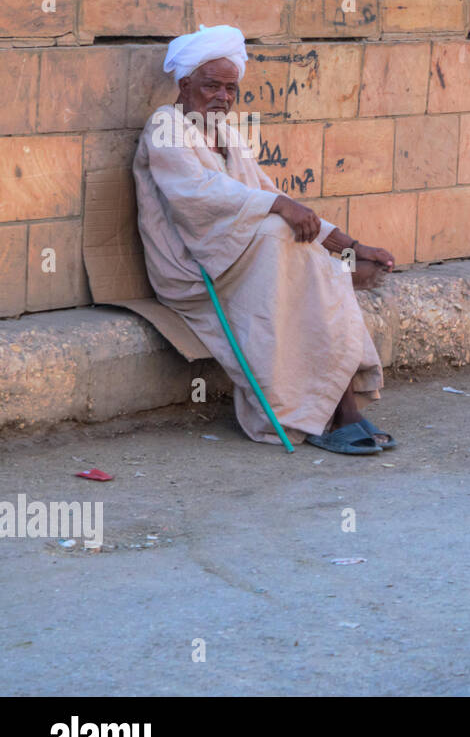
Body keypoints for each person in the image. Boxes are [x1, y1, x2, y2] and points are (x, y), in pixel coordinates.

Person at [133, 24, 397, 455]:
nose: (222, 97)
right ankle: (331, 410)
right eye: (211, 86)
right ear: (184, 85)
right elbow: (198, 195)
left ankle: (337, 406)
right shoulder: (164, 125)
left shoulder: (227, 134)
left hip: (240, 258)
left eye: (230, 88)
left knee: (307, 261)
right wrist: (279, 210)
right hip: (193, 269)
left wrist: (351, 246)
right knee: (286, 241)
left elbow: (273, 196)